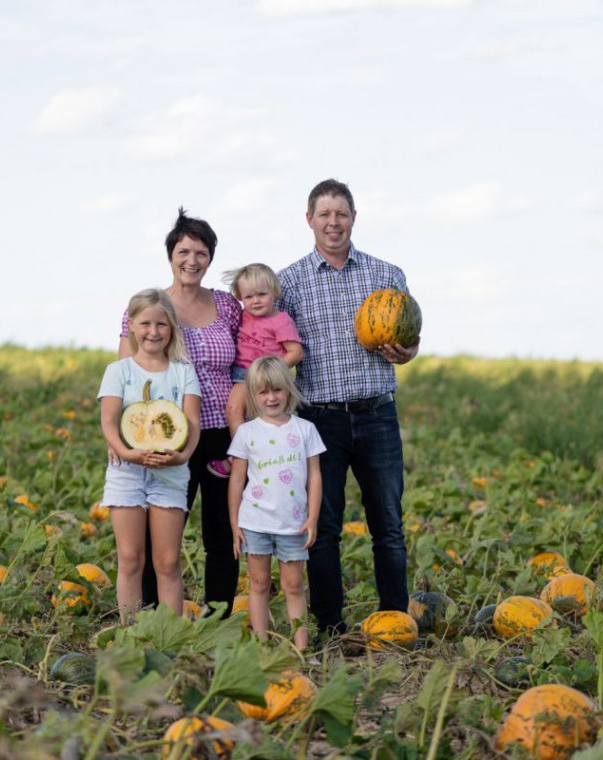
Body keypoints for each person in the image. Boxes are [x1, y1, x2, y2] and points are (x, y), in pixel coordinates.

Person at [277, 178, 419, 638]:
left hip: (377, 414)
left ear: (353, 218)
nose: (333, 222)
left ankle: (395, 621)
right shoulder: (289, 282)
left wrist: (405, 353)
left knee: (388, 525)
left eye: (341, 214)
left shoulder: (387, 275)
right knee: (324, 527)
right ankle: (331, 625)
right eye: (324, 214)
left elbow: (409, 341)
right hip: (319, 420)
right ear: (309, 221)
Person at [117, 209, 240, 616]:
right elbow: (127, 375)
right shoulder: (152, 307)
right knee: (161, 532)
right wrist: (120, 439)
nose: (192, 260)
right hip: (165, 434)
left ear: (211, 258)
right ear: (171, 255)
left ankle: (217, 614)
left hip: (222, 432)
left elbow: (250, 359)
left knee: (221, 531)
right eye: (184, 250)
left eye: (201, 252)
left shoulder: (228, 306)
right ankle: (153, 615)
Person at [99, 289, 201, 622]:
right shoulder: (119, 371)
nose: (153, 332)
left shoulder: (183, 371)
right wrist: (127, 452)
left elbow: (193, 423)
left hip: (170, 473)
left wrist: (181, 456)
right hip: (126, 472)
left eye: (162, 324)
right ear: (131, 325)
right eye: (145, 323)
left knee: (168, 562)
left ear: (172, 328)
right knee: (129, 558)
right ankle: (131, 632)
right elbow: (109, 421)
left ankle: (168, 636)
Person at [227, 356, 325, 651]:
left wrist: (313, 518)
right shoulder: (247, 432)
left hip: (293, 524)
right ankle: (262, 646)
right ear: (253, 395)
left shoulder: (305, 430)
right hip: (255, 522)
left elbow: (315, 476)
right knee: (257, 585)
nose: (271, 398)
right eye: (263, 392)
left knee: (294, 586)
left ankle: (302, 648)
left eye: (277, 390)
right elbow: (236, 479)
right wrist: (234, 522)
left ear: (288, 389)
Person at [207, 263, 303, 479]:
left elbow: (295, 352)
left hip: (265, 378)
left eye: (262, 294)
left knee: (256, 416)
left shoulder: (281, 320)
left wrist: (270, 372)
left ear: (275, 293)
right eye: (249, 296)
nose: (256, 301)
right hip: (241, 373)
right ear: (240, 297)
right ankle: (244, 456)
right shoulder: (243, 315)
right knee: (238, 413)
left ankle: (246, 458)